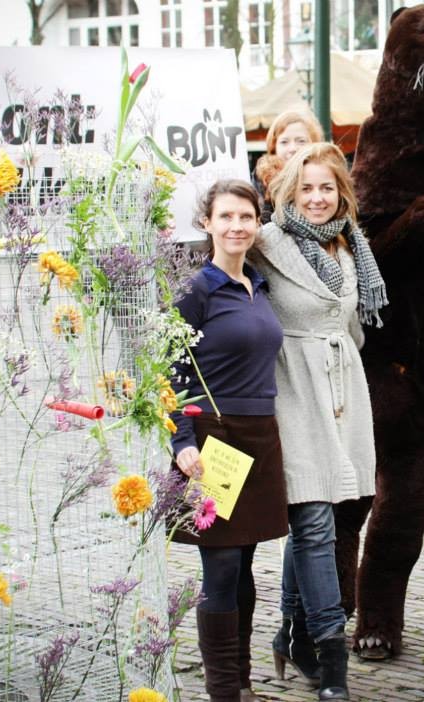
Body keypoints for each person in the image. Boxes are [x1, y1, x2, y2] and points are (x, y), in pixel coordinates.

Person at [250, 142, 387, 701]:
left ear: (342, 194)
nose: (316, 197)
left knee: (323, 514)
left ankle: (292, 635)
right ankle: (333, 659)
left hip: (342, 390)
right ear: (288, 191)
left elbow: (353, 325)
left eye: (327, 187)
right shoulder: (265, 243)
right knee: (313, 522)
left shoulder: (352, 247)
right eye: (306, 187)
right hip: (292, 390)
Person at [170, 180, 289, 702]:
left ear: (258, 223)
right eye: (227, 217)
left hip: (259, 436)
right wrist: (181, 442)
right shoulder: (196, 290)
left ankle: (239, 679)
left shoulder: (259, 287)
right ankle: (223, 692)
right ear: (207, 224)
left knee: (243, 567)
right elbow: (165, 372)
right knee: (219, 566)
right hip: (213, 438)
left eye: (247, 216)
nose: (238, 226)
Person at [252, 110, 325, 223]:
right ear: (274, 147)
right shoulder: (262, 180)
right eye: (284, 142)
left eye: (301, 141)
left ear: (314, 144)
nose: (292, 149)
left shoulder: (327, 175)